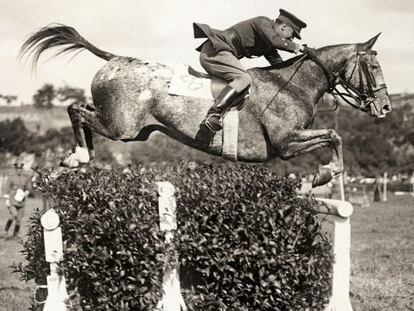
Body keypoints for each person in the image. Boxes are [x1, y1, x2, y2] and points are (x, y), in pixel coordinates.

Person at [194, 9, 310, 132]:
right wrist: (300, 48)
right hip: (216, 51)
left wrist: (304, 61)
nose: (291, 40)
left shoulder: (268, 43)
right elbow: (275, 41)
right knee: (243, 78)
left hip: (219, 52)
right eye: (291, 35)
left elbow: (280, 65)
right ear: (284, 27)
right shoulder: (262, 22)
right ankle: (213, 114)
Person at [1, 163, 31, 239]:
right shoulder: (11, 177)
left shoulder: (25, 178)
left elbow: (28, 188)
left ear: (22, 169)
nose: (19, 170)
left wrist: (26, 193)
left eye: (20, 169)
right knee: (14, 215)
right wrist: (7, 200)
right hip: (12, 201)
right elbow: (7, 188)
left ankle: (15, 234)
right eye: (17, 169)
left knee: (19, 219)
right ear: (15, 169)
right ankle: (5, 231)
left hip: (22, 202)